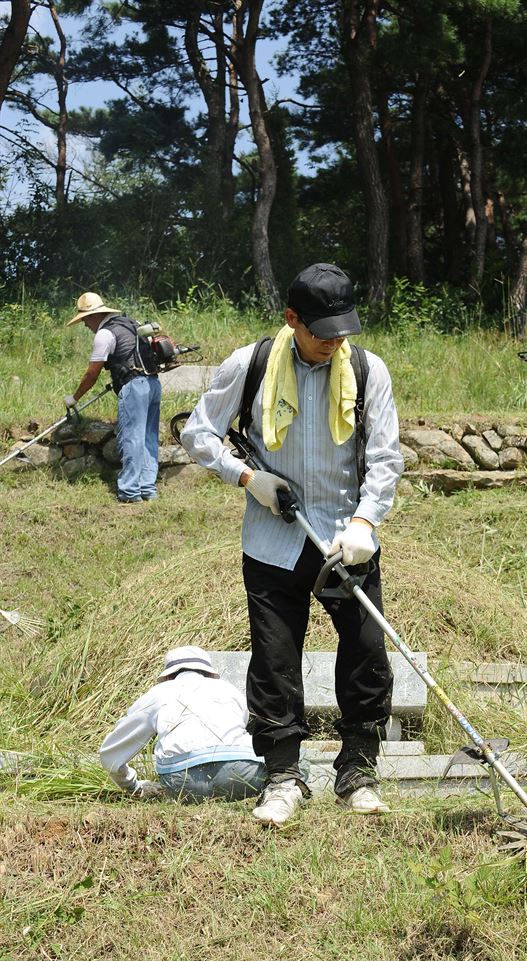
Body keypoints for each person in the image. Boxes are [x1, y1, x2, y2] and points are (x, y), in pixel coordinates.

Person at [181, 262, 404, 827]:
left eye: (343, 332)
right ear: (291, 319)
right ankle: (283, 774)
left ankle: (357, 768)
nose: (333, 343)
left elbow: (384, 458)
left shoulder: (369, 371)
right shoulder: (250, 364)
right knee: (275, 658)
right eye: (321, 332)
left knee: (366, 652)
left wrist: (366, 523)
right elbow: (198, 432)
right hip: (271, 539)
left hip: (345, 539)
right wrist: (248, 479)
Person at [99, 645, 267, 802]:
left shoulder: (159, 693)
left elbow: (110, 754)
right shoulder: (228, 689)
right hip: (242, 774)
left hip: (182, 782)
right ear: (209, 673)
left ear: (169, 676)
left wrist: (133, 786)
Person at [65, 292, 162, 502]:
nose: (84, 325)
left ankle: (129, 492)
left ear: (93, 316)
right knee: (148, 438)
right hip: (153, 383)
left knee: (132, 438)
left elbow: (92, 374)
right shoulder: (130, 323)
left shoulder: (105, 334)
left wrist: (74, 398)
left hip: (134, 388)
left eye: (84, 319)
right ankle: (148, 488)